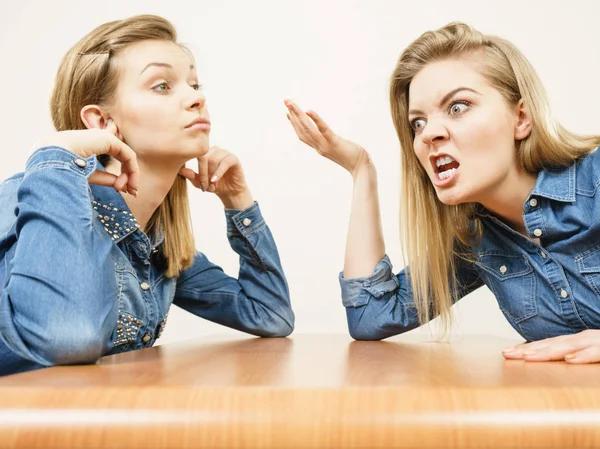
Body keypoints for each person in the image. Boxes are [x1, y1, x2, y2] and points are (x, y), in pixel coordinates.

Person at [285, 22, 600, 364]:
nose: (428, 134)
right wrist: (361, 169)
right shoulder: (477, 242)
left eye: (458, 107)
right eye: (417, 122)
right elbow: (370, 316)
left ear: (521, 118)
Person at [0, 14, 294, 376]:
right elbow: (67, 337)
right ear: (102, 122)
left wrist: (238, 200)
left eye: (195, 83)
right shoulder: (27, 204)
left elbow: (271, 315)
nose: (196, 98)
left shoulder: (157, 246)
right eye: (162, 86)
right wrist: (55, 154)